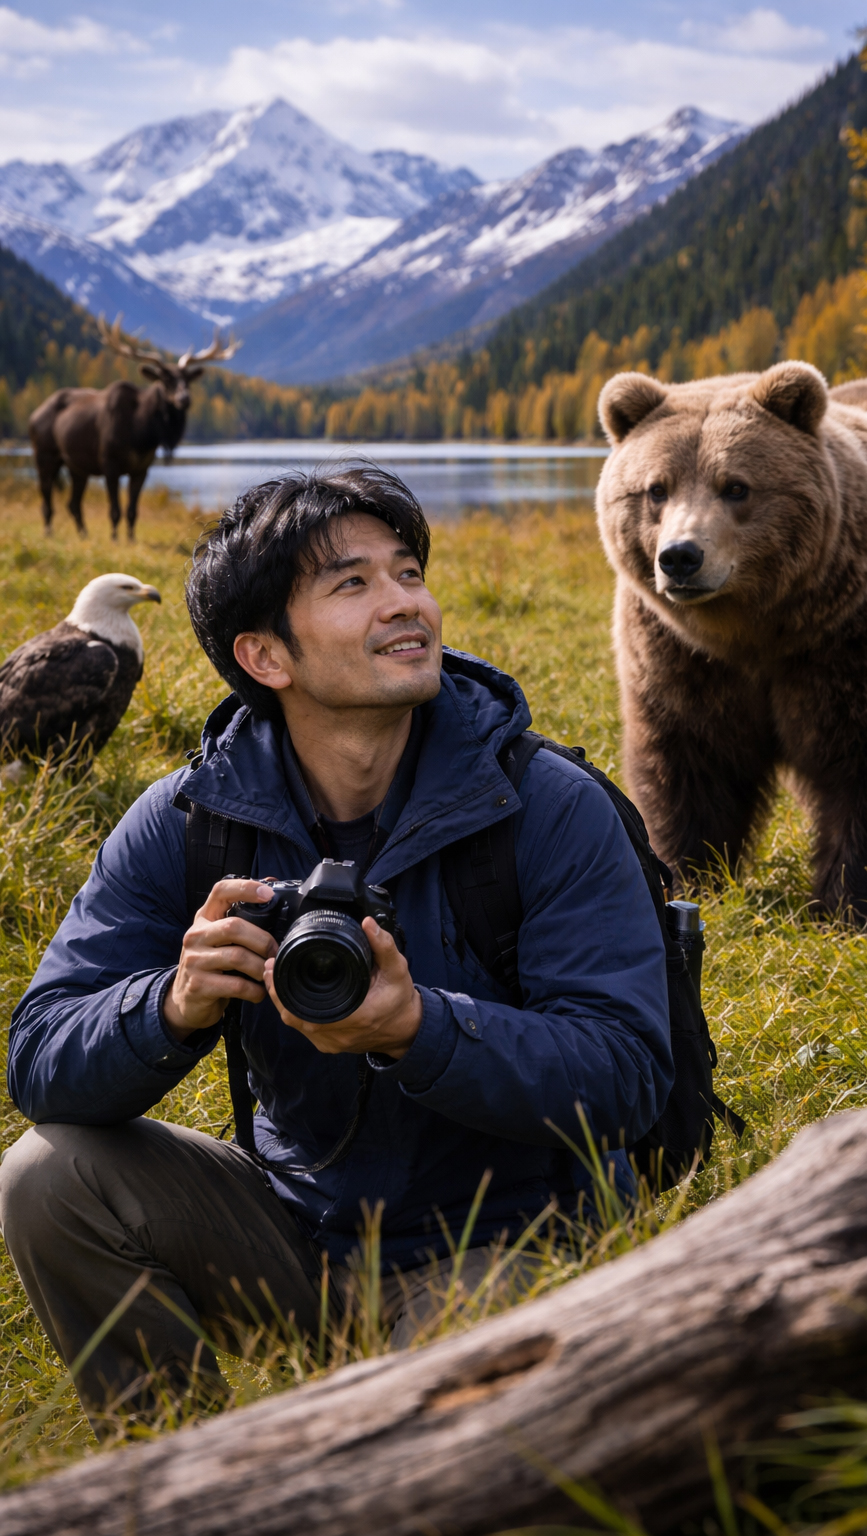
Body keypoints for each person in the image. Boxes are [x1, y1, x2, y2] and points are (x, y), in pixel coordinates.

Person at [0, 466, 672, 1422]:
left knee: (433, 1459)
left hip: (503, 1244)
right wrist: (172, 1005)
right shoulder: (188, 821)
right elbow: (39, 1059)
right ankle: (171, 1474)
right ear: (265, 656)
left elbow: (628, 1076)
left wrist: (419, 1029)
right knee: (49, 1177)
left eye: (408, 572)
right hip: (292, 1236)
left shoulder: (549, 805)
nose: (407, 605)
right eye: (353, 585)